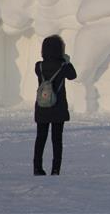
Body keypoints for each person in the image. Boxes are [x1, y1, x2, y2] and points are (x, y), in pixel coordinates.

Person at [33, 34, 77, 176]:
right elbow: (73, 75)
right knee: (57, 139)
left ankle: (37, 168)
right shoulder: (63, 66)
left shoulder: (38, 66)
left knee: (40, 138)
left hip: (42, 107)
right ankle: (55, 169)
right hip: (58, 107)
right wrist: (66, 61)